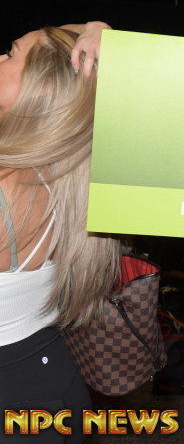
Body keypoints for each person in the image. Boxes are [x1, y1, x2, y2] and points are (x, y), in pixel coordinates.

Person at [0, 23, 121, 442]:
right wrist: (99, 31)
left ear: (41, 89)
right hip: (47, 383)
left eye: (9, 53)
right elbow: (63, 51)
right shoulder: (71, 172)